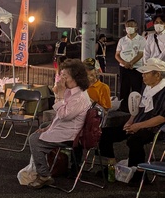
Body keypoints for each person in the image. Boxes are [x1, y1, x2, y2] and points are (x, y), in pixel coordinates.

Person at [99, 58, 165, 186]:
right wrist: (130, 122)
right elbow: (139, 108)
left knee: (134, 140)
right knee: (105, 134)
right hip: (138, 123)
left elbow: (162, 117)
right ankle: (112, 166)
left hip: (155, 128)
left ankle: (139, 173)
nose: (142, 75)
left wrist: (138, 126)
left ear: (157, 74)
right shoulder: (146, 87)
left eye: (146, 73)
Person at [27, 59, 91, 189]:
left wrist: (60, 95)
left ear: (75, 78)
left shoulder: (79, 97)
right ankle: (45, 165)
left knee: (33, 139)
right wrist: (49, 127)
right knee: (42, 127)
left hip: (70, 134)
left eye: (64, 76)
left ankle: (44, 175)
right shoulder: (71, 91)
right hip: (65, 128)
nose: (61, 79)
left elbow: (63, 115)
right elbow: (59, 117)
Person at [115, 19, 146, 112]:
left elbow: (141, 54)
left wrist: (131, 63)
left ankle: (135, 109)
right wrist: (125, 63)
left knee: (136, 88)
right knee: (124, 88)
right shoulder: (122, 40)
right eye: (127, 26)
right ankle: (123, 108)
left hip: (137, 68)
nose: (129, 28)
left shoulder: (141, 40)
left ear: (136, 28)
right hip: (124, 68)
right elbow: (117, 54)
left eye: (132, 26)